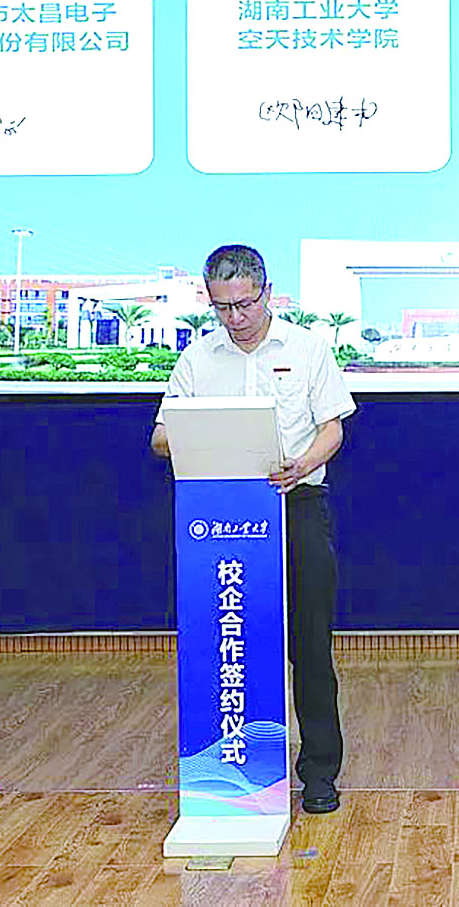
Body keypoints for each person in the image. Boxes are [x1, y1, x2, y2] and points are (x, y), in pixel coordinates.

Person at [150, 244, 354, 815]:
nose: (235, 317)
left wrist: (302, 464)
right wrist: (198, 436)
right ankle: (232, 764)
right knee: (231, 640)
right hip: (220, 519)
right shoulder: (197, 359)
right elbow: (161, 437)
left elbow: (333, 429)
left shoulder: (308, 349)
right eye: (222, 307)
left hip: (296, 504)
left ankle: (319, 771)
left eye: (244, 304)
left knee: (309, 646)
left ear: (267, 292)